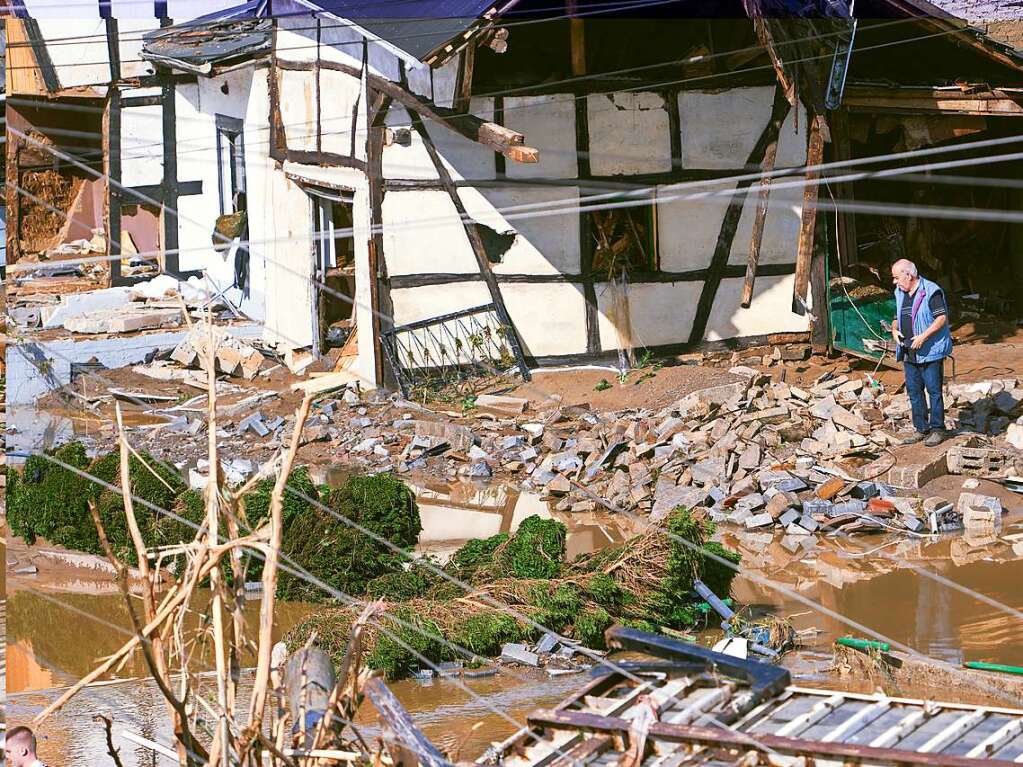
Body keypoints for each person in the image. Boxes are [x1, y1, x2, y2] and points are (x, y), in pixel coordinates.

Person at [890, 258, 952, 446]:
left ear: (908, 275)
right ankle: (921, 428)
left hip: (929, 351)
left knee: (933, 390)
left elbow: (941, 318)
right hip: (909, 351)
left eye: (896, 277)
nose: (894, 281)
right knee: (914, 391)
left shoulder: (931, 291)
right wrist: (894, 330)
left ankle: (937, 429)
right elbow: (896, 316)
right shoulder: (900, 292)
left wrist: (923, 336)